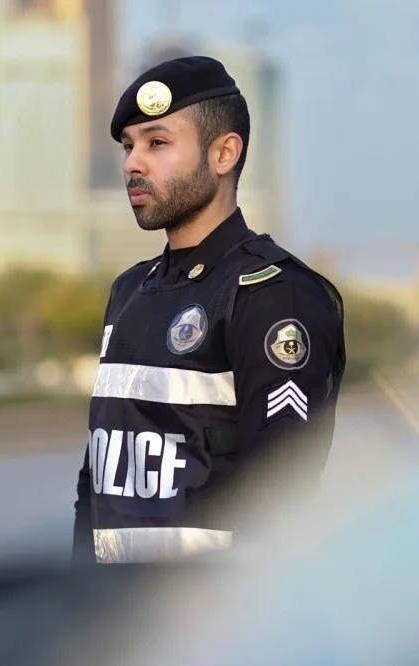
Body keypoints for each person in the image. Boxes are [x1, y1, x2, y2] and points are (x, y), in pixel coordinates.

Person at [72, 55, 346, 566]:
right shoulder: (130, 291)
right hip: (111, 610)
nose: (132, 164)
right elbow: (95, 486)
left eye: (157, 143)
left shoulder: (274, 295)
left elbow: (280, 500)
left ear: (224, 153)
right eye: (129, 146)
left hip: (206, 614)